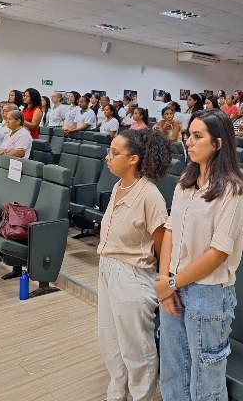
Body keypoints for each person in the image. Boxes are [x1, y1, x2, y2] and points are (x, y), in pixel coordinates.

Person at [155, 109, 243, 401]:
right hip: (175, 283)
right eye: (188, 136)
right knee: (174, 366)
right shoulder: (185, 181)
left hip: (208, 292)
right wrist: (165, 278)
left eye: (197, 136)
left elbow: (218, 253)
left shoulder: (232, 190)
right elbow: (169, 231)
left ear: (218, 144)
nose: (189, 142)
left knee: (205, 377)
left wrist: (171, 283)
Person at [97, 128, 173, 401]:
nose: (108, 157)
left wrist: (165, 282)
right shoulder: (119, 185)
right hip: (108, 268)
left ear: (133, 159)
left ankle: (141, 396)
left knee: (136, 349)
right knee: (111, 341)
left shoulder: (149, 195)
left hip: (132, 276)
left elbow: (163, 244)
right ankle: (117, 392)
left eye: (115, 153)